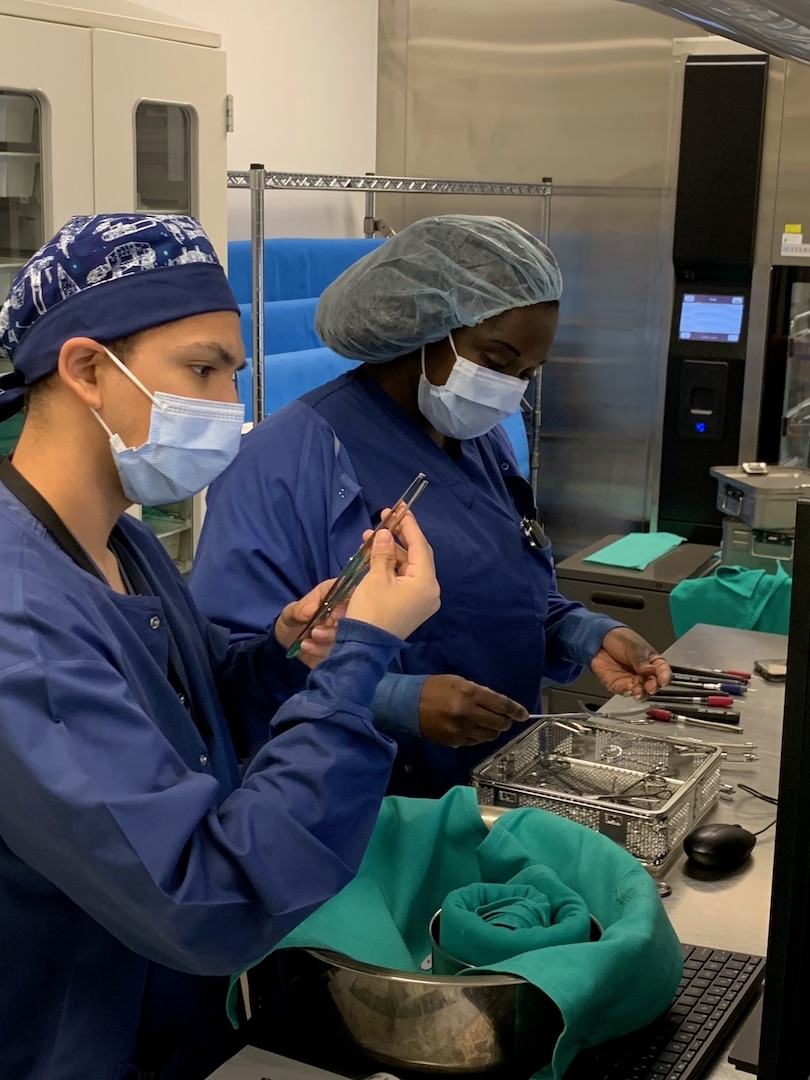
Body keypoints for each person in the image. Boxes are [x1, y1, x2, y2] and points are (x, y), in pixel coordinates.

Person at [0, 213, 440, 1080]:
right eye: (200, 369)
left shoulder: (112, 543)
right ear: (87, 367)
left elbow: (180, 720)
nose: (224, 406)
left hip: (168, 1025)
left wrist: (288, 650)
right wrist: (360, 659)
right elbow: (206, 894)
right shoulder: (21, 622)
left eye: (232, 375)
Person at [190, 214, 671, 799]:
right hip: (358, 810)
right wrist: (395, 701)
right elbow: (235, 675)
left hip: (496, 786)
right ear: (422, 324)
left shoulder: (478, 441)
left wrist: (583, 633)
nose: (507, 389)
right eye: (495, 362)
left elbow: (502, 594)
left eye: (526, 373)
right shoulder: (279, 462)